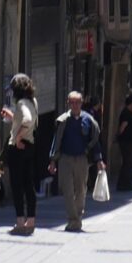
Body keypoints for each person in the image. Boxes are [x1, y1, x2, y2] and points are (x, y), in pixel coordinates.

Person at [48, 90, 100, 231]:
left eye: (77, 102)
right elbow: (56, 141)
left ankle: (77, 217)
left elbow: (95, 140)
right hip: (65, 159)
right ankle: (73, 219)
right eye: (72, 103)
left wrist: (99, 159)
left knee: (81, 190)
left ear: (81, 103)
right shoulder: (63, 120)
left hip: (82, 159)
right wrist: (53, 161)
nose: (75, 105)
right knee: (68, 191)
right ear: (68, 104)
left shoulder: (88, 120)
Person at [2, 76, 43, 235]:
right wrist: (12, 117)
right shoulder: (33, 101)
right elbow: (30, 121)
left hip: (18, 147)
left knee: (17, 185)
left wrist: (18, 138)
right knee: (28, 183)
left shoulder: (20, 103)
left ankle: (20, 220)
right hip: (30, 145)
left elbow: (26, 120)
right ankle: (31, 219)